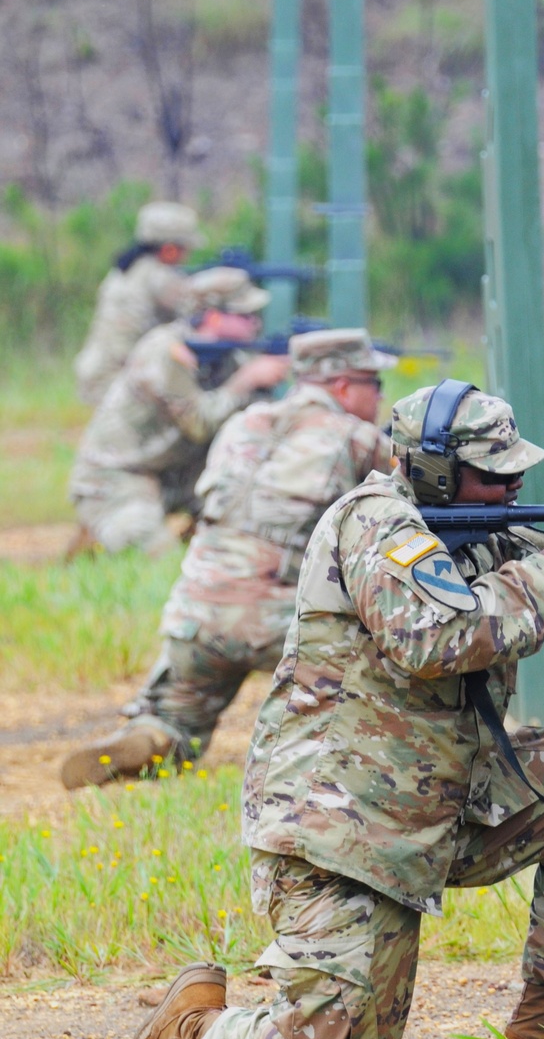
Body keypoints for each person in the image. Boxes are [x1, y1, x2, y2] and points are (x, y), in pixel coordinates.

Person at [133, 382, 544, 1039]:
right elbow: (436, 637)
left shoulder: (481, 526)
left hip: (443, 796)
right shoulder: (376, 526)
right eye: (493, 473)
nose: (513, 484)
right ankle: (202, 1026)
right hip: (342, 829)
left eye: (515, 470)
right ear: (437, 472)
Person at [60, 329, 396, 790]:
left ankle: (151, 735)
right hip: (281, 624)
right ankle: (340, 749)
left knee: (176, 720)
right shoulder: (357, 439)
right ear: (342, 387)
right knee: (392, 668)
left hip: (197, 612)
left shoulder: (244, 422)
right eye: (374, 385)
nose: (380, 397)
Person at [67, 267, 289, 558]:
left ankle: (197, 533)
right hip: (118, 473)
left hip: (176, 471)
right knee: (154, 554)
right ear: (213, 317)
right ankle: (98, 531)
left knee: (245, 521)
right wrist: (246, 381)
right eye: (244, 315)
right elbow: (198, 423)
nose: (255, 323)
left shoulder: (230, 357)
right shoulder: (165, 352)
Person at [74, 202, 204, 407]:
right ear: (169, 249)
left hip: (96, 372)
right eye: (184, 249)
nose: (186, 256)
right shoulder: (158, 277)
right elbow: (194, 313)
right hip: (117, 379)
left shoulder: (126, 270)